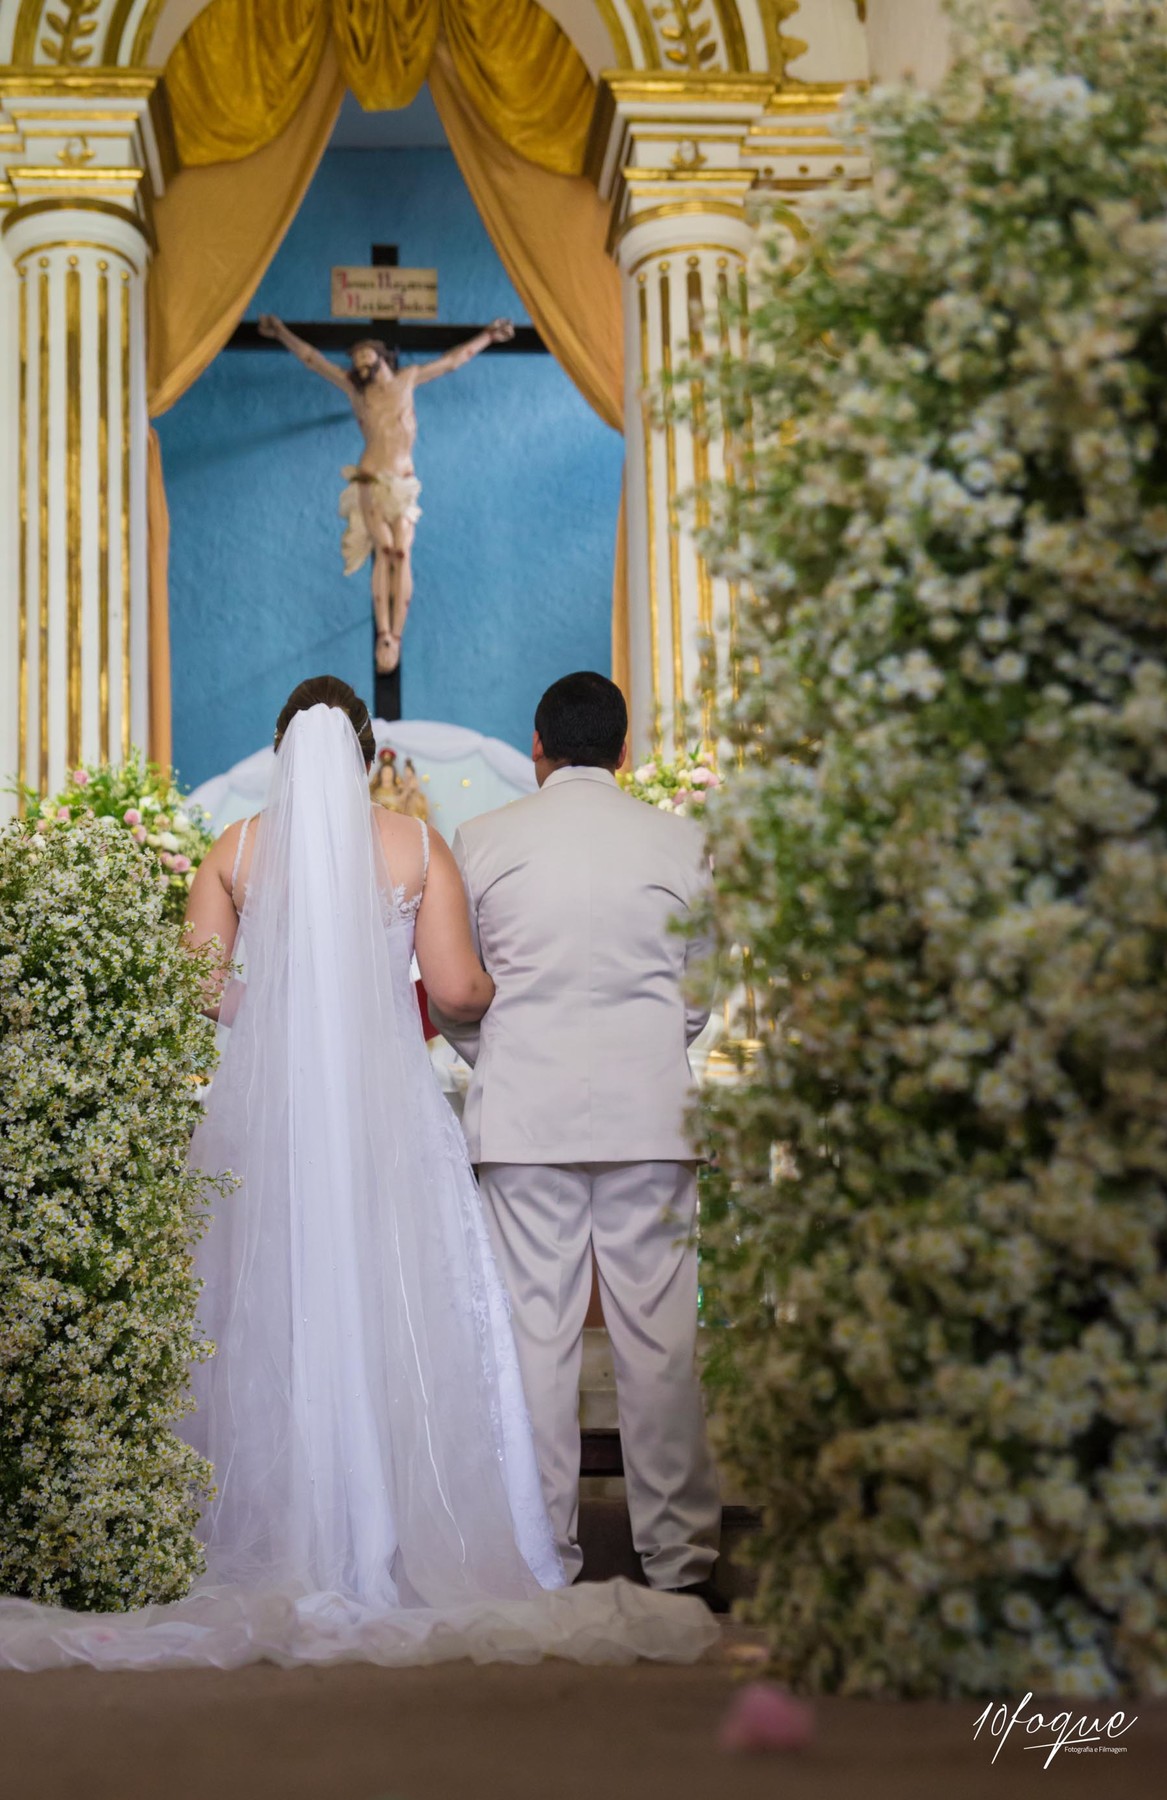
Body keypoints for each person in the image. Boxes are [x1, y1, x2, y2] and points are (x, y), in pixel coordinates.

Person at [0, 677, 716, 1670]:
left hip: (278, 1116)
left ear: (284, 748)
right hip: (422, 1111)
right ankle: (617, 1554)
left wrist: (286, 1024)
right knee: (440, 1314)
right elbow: (462, 986)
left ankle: (308, 1530)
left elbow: (198, 983)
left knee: (287, 1314)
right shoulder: (421, 846)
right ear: (371, 752)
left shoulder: (237, 848)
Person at [430, 673, 725, 1611]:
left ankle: (541, 1550)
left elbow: (457, 992)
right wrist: (639, 1049)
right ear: (626, 750)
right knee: (660, 1339)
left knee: (535, 1341)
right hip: (650, 1115)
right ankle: (679, 1559)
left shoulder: (482, 841)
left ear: (537, 746)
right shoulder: (686, 842)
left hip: (524, 1119)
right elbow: (699, 997)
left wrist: (503, 1054)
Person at [257, 317, 515, 672]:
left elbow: (452, 361)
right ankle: (384, 633)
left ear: (383, 359)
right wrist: (282, 333)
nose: (364, 369)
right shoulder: (356, 390)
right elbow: (314, 360)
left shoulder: (408, 380)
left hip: (404, 481)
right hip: (370, 480)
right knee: (385, 551)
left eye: (369, 361)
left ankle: (397, 632)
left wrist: (488, 336)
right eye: (359, 365)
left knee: (402, 552)